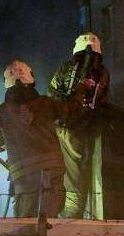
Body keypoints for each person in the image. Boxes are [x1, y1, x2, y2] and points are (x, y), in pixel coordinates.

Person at [0, 60, 71, 218]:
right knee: (49, 221)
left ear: (7, 82)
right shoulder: (47, 103)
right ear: (31, 78)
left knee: (25, 223)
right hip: (52, 171)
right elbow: (71, 115)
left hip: (24, 177)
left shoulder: (2, 112)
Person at [48, 32, 112, 220]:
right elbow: (104, 100)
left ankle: (71, 216)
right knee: (89, 173)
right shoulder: (104, 73)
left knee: (73, 177)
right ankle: (90, 212)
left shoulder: (65, 68)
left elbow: (51, 96)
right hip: (92, 130)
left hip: (68, 129)